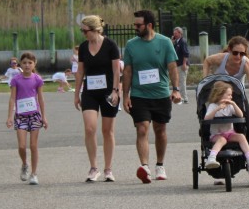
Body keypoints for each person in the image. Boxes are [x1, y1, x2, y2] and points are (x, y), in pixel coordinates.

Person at [122, 9, 181, 184]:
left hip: (161, 94)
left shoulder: (165, 42)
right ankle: (145, 167)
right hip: (139, 95)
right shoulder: (131, 45)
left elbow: (172, 68)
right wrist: (125, 95)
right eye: (134, 25)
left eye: (138, 25)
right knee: (142, 128)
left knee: (160, 130)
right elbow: (127, 71)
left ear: (149, 25)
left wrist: (176, 89)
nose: (135, 28)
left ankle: (160, 165)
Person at [73, 15, 122, 182]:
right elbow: (80, 71)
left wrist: (115, 91)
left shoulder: (110, 45)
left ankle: (108, 169)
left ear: (94, 30)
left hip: (108, 92)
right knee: (89, 128)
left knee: (107, 131)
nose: (83, 34)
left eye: (85, 31)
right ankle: (94, 168)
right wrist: (76, 93)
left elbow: (116, 71)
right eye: (82, 31)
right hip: (90, 92)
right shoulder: (83, 47)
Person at [202, 80, 249, 183]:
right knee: (222, 140)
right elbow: (206, 118)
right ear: (220, 94)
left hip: (229, 133)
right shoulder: (212, 106)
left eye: (231, 95)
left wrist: (233, 104)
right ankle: (212, 158)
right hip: (217, 135)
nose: (231, 97)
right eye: (229, 95)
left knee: (241, 136)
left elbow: (240, 115)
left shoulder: (230, 106)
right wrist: (217, 109)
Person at [8, 52, 48, 185]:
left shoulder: (37, 79)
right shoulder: (16, 80)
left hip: (34, 115)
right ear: (20, 64)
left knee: (33, 145)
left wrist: (44, 117)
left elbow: (41, 98)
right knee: (22, 146)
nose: (27, 65)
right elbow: (12, 98)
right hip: (20, 116)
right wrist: (9, 117)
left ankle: (34, 173)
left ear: (34, 64)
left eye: (30, 63)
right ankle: (25, 164)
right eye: (24, 63)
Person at [201, 36, 249, 117]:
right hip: (219, 92)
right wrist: (205, 80)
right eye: (235, 53)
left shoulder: (247, 64)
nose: (238, 56)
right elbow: (207, 61)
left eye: (242, 54)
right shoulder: (221, 58)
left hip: (237, 92)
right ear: (229, 50)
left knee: (245, 114)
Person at [172, 26, 190, 104]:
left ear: (180, 33)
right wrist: (172, 41)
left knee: (182, 82)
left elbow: (186, 53)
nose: (174, 35)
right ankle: (181, 97)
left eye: (176, 33)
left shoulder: (182, 41)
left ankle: (184, 98)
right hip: (177, 65)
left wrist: (184, 64)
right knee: (179, 81)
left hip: (182, 65)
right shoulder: (177, 42)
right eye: (174, 33)